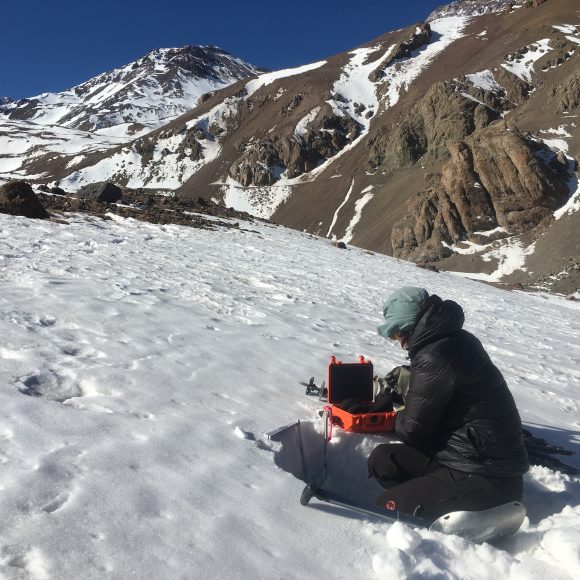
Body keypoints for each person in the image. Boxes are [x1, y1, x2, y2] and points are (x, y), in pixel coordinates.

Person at [368, 287, 529, 519]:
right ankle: (433, 496)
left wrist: (387, 417)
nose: (398, 342)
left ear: (408, 327)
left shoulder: (434, 355)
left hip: (487, 476)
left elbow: (414, 432)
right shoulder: (455, 340)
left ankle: (468, 508)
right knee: (383, 461)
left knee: (385, 508)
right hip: (461, 458)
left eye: (396, 334)